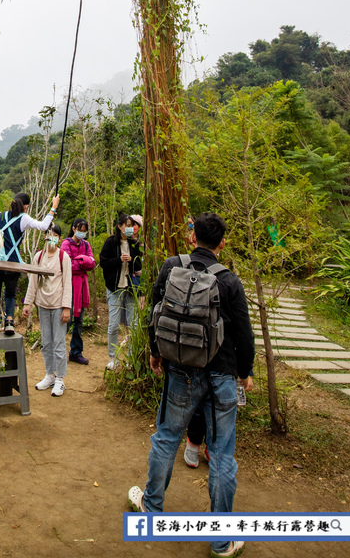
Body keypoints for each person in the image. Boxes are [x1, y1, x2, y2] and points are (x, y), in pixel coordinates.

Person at [128, 212, 255, 558]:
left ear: (191, 237)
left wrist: (156, 352)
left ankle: (151, 511)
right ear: (222, 243)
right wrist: (246, 371)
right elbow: (244, 332)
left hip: (180, 368)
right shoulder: (229, 281)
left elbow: (155, 312)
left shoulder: (172, 266)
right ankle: (221, 540)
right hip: (222, 375)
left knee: (167, 437)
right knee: (223, 454)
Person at [0, 192, 60, 334]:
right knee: (10, 295)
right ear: (27, 206)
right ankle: (9, 321)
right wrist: (53, 207)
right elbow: (43, 226)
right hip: (12, 265)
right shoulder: (23, 218)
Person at [22, 223, 72, 396]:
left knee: (59, 343)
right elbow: (33, 282)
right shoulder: (38, 257)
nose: (52, 238)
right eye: (49, 234)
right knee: (47, 343)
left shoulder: (63, 257)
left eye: (56, 235)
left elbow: (67, 283)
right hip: (42, 305)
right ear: (44, 237)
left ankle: (60, 379)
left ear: (59, 238)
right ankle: (50, 375)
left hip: (58, 306)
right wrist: (28, 303)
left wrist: (67, 308)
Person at [99, 213, 142, 370]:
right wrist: (119, 260)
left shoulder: (134, 244)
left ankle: (131, 357)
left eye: (131, 225)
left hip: (131, 289)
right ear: (119, 226)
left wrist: (133, 261)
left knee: (133, 325)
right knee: (114, 325)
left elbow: (139, 267)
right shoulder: (111, 242)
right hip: (115, 288)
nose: (130, 228)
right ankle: (113, 357)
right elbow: (103, 262)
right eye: (127, 225)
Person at [60, 218, 95, 364]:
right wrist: (84, 261)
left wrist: (79, 259)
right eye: (80, 229)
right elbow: (67, 264)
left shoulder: (86, 244)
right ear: (74, 229)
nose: (82, 233)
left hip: (82, 286)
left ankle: (76, 352)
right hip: (69, 285)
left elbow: (92, 263)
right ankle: (59, 350)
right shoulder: (66, 243)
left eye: (84, 230)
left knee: (79, 320)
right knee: (65, 320)